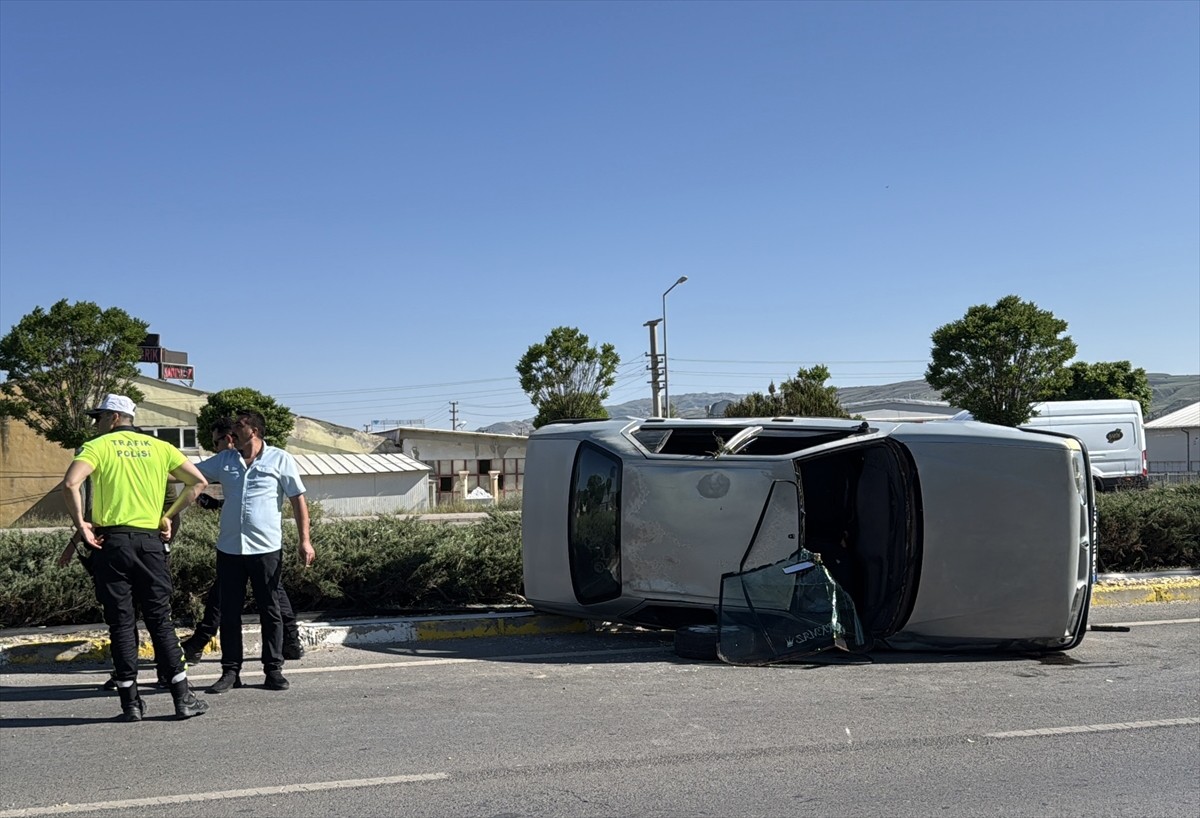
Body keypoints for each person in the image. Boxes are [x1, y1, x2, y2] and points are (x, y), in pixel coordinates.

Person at [61, 393, 210, 721]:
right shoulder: (161, 448)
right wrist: (167, 515)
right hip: (149, 543)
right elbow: (198, 482)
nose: (95, 423)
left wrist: (82, 527)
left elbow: (71, 483)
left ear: (114, 418)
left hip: (111, 544)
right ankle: (183, 699)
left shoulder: (97, 446)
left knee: (121, 624)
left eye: (99, 417)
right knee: (160, 620)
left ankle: (131, 704)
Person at [195, 408, 315, 693]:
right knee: (230, 612)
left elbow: (298, 501)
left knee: (270, 610)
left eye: (239, 426)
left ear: (254, 431)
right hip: (230, 549)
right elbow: (191, 473)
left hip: (266, 549)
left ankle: (273, 669)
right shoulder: (225, 459)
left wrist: (305, 540)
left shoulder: (280, 459)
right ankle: (230, 672)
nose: (232, 431)